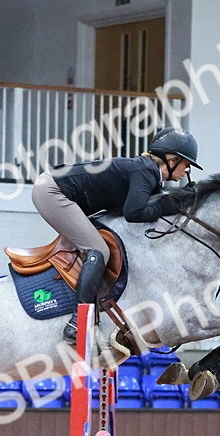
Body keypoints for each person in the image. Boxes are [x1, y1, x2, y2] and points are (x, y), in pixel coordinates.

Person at [31, 127, 202, 342]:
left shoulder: (148, 173)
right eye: (186, 164)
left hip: (62, 190)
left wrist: (175, 200)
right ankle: (79, 321)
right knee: (99, 250)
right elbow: (135, 212)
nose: (187, 171)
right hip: (53, 192)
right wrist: (169, 205)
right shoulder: (145, 171)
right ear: (172, 159)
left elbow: (147, 204)